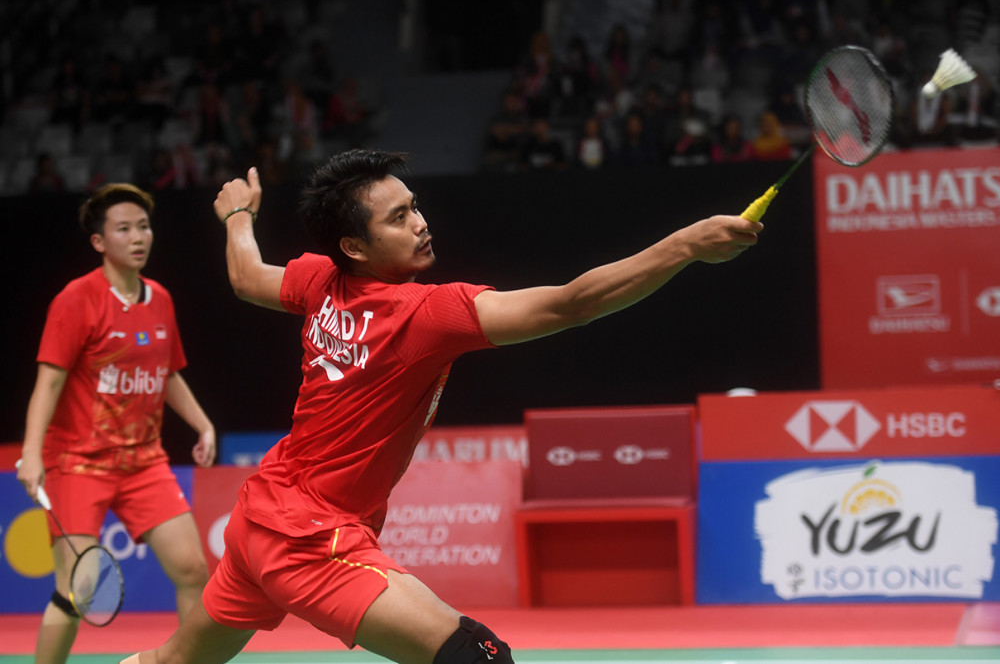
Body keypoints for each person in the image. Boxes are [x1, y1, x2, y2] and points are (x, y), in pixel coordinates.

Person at [122, 150, 761, 664]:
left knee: (170, 661)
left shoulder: (319, 280)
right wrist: (684, 246)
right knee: (475, 657)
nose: (420, 222)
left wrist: (237, 215)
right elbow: (571, 303)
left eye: (415, 206)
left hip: (260, 516)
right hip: (310, 537)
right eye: (398, 217)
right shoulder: (427, 313)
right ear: (355, 247)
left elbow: (245, 277)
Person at [17, 183, 217, 664]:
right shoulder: (76, 299)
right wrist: (31, 454)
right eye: (123, 229)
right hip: (77, 463)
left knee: (193, 570)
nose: (138, 237)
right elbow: (48, 382)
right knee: (78, 589)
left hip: (143, 462)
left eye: (143, 227)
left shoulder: (160, 299)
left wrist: (203, 424)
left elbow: (167, 374)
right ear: (99, 242)